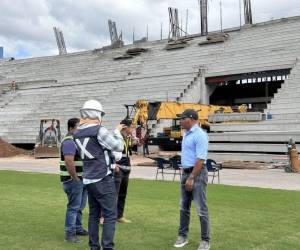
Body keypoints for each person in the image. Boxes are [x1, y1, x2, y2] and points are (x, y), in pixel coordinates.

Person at [74, 100, 124, 250]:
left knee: (93, 215)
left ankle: (93, 247)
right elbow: (119, 147)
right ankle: (108, 247)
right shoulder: (98, 130)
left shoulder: (77, 133)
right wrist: (117, 133)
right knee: (110, 215)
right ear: (97, 114)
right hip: (102, 177)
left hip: (89, 178)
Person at [174, 109, 211, 250]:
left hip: (197, 174)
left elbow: (201, 158)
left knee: (201, 208)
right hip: (187, 173)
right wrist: (185, 171)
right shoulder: (186, 134)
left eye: (182, 118)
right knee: (183, 207)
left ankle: (205, 240)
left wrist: (191, 177)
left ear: (190, 119)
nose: (180, 121)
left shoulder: (200, 135)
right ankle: (182, 236)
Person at [60, 118, 88, 244]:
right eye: (78, 128)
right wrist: (76, 178)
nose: (80, 130)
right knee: (73, 207)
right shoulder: (69, 141)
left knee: (79, 207)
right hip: (73, 180)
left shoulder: (76, 141)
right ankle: (69, 234)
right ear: (71, 128)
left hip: (80, 180)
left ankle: (77, 228)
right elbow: (68, 161)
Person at [114, 119, 134, 223]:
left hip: (126, 169)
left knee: (122, 194)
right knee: (114, 194)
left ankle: (119, 216)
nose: (133, 128)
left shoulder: (127, 138)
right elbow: (111, 151)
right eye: (131, 126)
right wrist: (114, 164)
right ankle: (107, 217)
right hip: (118, 169)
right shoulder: (117, 137)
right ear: (125, 127)